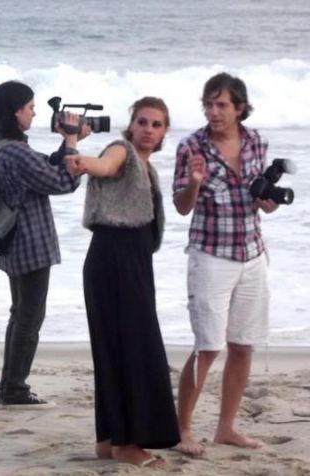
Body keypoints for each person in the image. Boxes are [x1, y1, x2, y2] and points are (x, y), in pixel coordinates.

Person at [69, 97, 180, 468]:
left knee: (118, 347)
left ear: (164, 132)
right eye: (142, 122)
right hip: (113, 259)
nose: (148, 129)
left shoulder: (149, 169)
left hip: (131, 262)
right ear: (131, 125)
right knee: (133, 348)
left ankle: (109, 440)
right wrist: (81, 158)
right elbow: (103, 166)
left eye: (156, 124)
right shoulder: (122, 151)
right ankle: (128, 444)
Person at [172, 73, 277, 455]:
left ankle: (226, 428)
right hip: (211, 255)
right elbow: (181, 206)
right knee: (207, 346)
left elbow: (262, 199)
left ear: (240, 108)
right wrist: (194, 182)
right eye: (208, 104)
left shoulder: (256, 141)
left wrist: (269, 202)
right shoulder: (191, 146)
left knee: (242, 346)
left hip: (252, 252)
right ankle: (183, 429)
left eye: (221, 105)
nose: (213, 112)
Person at [0, 80, 85, 407]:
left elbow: (43, 168)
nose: (33, 113)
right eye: (30, 107)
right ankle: (14, 389)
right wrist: (71, 142)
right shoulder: (16, 152)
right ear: (15, 112)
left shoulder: (1, 143)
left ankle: (10, 384)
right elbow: (62, 181)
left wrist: (68, 143)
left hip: (14, 242)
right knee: (29, 319)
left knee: (20, 315)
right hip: (30, 244)